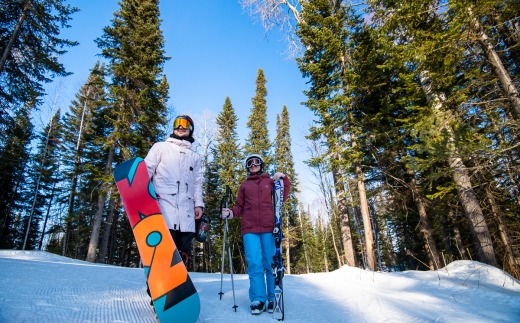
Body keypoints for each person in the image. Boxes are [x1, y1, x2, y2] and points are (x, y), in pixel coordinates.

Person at [221, 154, 290, 315]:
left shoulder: (270, 182)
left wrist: (284, 179)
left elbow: (283, 196)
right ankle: (258, 299)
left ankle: (273, 297)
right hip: (249, 228)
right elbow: (239, 206)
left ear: (261, 164)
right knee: (254, 263)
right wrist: (231, 213)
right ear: (247, 167)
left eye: (256, 162)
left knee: (271, 263)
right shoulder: (244, 185)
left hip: (268, 227)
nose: (253, 165)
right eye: (250, 163)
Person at [144, 114, 204, 267]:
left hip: (187, 214)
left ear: (190, 129)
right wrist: (143, 192)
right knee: (163, 253)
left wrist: (199, 205)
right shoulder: (161, 147)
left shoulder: (195, 157)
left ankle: (178, 288)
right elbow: (147, 169)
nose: (180, 127)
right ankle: (157, 286)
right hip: (164, 210)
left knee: (181, 256)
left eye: (184, 124)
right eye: (177, 123)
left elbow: (197, 183)